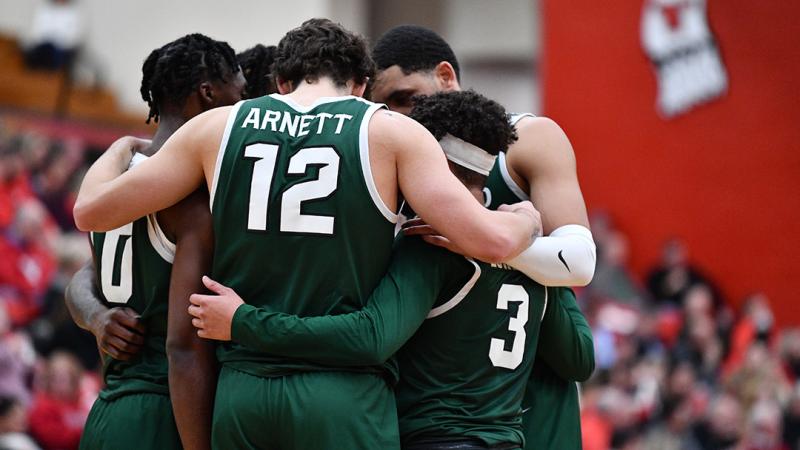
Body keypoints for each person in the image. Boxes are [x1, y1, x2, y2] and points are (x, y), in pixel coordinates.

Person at [72, 18, 539, 450]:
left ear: (280, 81)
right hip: (340, 394)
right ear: (360, 86)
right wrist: (526, 220)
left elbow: (90, 212)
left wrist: (119, 148)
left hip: (244, 394)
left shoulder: (216, 127)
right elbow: (492, 242)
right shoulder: (393, 133)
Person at [190, 90, 546, 450]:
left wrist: (243, 322)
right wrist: (528, 225)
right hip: (507, 438)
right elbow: (576, 355)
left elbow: (372, 338)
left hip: (432, 435)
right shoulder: (538, 260)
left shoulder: (425, 244)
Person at [369, 25, 595, 449]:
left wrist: (485, 239)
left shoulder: (528, 138)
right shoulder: (393, 156)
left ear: (445, 77)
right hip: (439, 406)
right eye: (383, 107)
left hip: (531, 398)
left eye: (404, 97)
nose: (398, 116)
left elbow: (579, 262)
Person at [64, 33, 245, 450]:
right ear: (208, 93)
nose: (244, 112)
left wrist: (95, 316)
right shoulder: (191, 203)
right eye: (240, 95)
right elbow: (182, 350)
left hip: (107, 411)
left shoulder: (110, 183)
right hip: (167, 414)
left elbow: (87, 275)